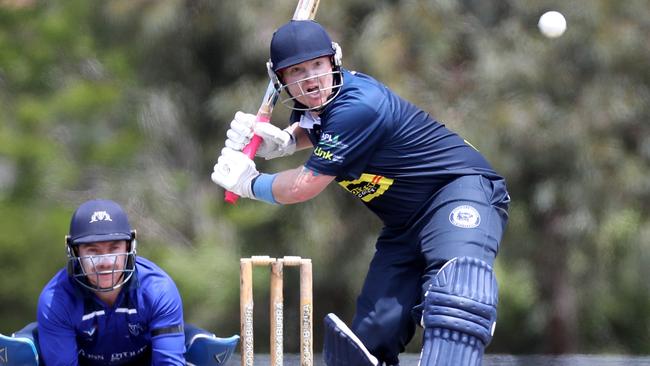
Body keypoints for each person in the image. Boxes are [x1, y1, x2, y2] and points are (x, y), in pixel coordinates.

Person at [211, 20, 510, 366]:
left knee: (455, 295)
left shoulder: (359, 105)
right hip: (404, 226)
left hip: (459, 191)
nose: (310, 79)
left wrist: (250, 183)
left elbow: (304, 185)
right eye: (297, 71)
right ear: (280, 79)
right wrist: (285, 141)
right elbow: (313, 127)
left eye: (317, 66)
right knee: (368, 344)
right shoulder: (316, 108)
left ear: (334, 61)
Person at [0, 199, 238, 366]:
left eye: (114, 248)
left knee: (204, 349)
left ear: (129, 247)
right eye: (93, 251)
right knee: (22, 350)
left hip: (145, 360)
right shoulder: (55, 299)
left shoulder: (158, 289)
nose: (105, 262)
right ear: (74, 252)